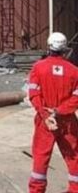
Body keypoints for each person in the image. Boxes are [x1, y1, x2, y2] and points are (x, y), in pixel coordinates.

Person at [28, 32, 78, 193]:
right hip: (67, 121)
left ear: (49, 48)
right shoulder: (74, 71)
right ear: (65, 50)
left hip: (45, 121)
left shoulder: (38, 67)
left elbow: (34, 95)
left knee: (40, 158)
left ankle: (36, 190)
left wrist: (47, 115)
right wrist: (59, 111)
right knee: (74, 157)